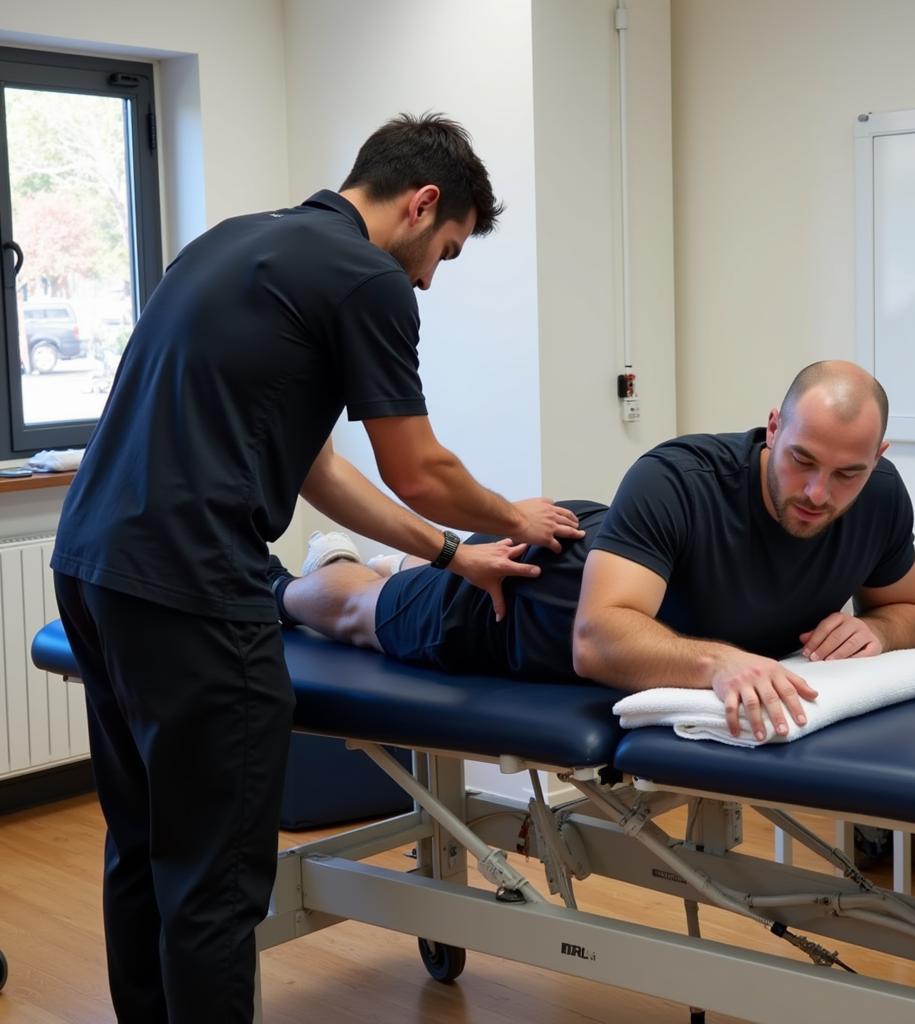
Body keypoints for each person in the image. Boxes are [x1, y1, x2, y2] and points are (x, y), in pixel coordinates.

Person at [49, 113, 582, 1024]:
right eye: (445, 252)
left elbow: (314, 466)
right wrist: (512, 516)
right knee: (215, 883)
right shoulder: (370, 279)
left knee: (145, 847)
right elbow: (420, 468)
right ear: (422, 206)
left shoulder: (230, 244)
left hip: (94, 567)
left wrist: (453, 553)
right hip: (195, 592)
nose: (429, 276)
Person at [273, 361, 915, 748]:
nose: (819, 493)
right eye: (802, 462)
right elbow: (596, 640)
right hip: (522, 604)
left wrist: (875, 627)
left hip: (598, 552)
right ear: (773, 427)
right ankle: (288, 586)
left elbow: (906, 606)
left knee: (395, 576)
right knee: (361, 609)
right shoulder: (680, 478)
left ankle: (369, 560)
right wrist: (721, 661)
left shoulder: (879, 499)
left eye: (847, 474)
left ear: (878, 458)